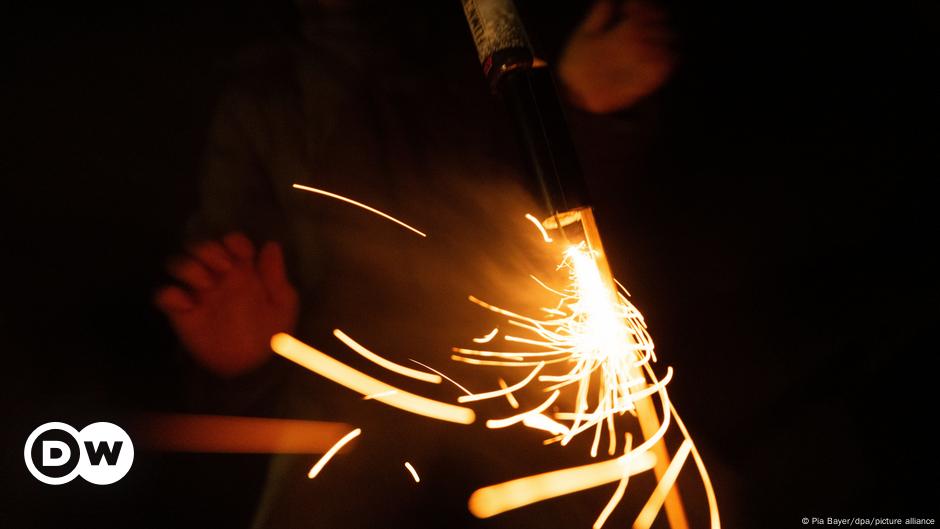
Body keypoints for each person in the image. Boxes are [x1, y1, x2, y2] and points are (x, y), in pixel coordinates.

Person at [155, 1, 675, 527]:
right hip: (354, 440)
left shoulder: (533, 32)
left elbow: (629, 241)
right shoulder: (267, 101)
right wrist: (233, 364)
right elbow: (225, 325)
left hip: (554, 418)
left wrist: (578, 112)